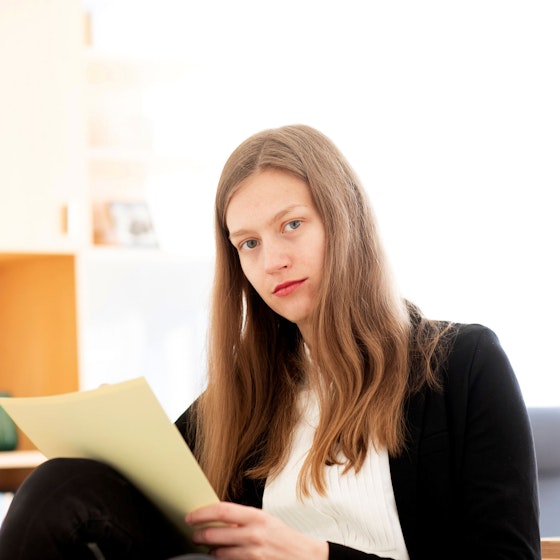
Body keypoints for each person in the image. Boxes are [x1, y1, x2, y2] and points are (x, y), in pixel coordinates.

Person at [0, 125, 540, 559]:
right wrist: (112, 431)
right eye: (249, 243)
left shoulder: (462, 365)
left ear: (344, 220)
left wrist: (313, 556)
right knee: (58, 484)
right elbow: (131, 501)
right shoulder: (246, 393)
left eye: (292, 226)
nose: (271, 261)